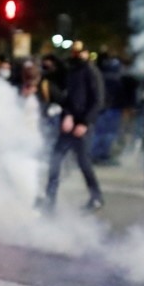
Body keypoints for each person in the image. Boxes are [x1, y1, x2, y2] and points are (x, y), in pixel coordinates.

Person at [39, 41, 105, 212]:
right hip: (69, 123)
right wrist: (67, 115)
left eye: (80, 52)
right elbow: (67, 97)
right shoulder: (72, 72)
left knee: (84, 162)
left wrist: (84, 123)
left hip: (83, 125)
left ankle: (96, 197)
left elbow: (97, 101)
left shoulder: (91, 72)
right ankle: (49, 199)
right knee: (55, 159)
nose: (77, 56)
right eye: (74, 52)